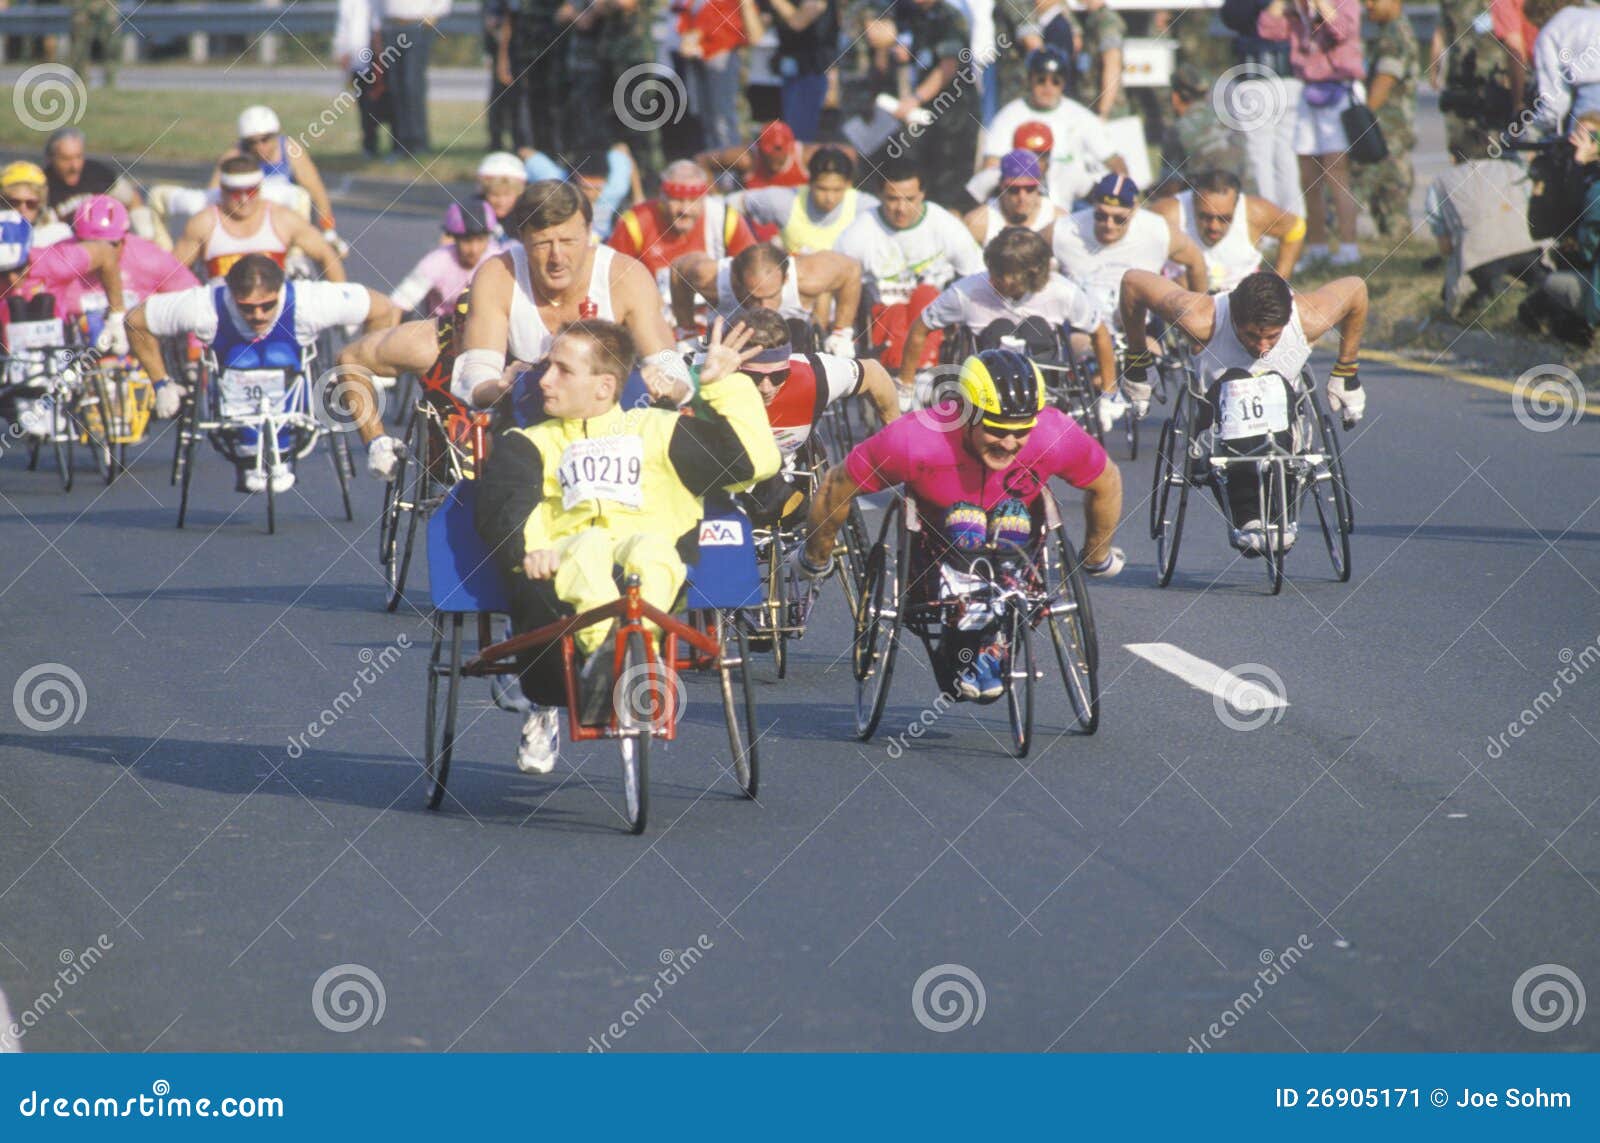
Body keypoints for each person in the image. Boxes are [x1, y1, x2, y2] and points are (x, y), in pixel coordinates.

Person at [474, 317, 780, 772]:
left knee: (653, 551)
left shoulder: (659, 430)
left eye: (562, 370)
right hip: (561, 589)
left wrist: (723, 385)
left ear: (604, 386)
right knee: (589, 545)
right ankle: (610, 661)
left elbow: (755, 462)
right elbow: (508, 512)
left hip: (649, 579)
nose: (545, 379)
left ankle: (634, 658)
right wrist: (527, 553)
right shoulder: (527, 443)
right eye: (547, 367)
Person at [803, 346, 1125, 699]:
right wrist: (817, 555)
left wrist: (1096, 556)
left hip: (1017, 543)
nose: (1008, 442)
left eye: (1021, 431)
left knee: (1012, 524)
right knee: (964, 527)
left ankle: (991, 633)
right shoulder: (916, 439)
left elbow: (1106, 481)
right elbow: (836, 485)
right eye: (996, 429)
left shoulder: (1053, 433)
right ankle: (973, 630)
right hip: (937, 548)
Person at [1118, 267, 1367, 553]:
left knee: (1276, 394)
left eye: (1272, 337)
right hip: (1217, 420)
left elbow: (1356, 288)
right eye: (1250, 336)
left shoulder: (1306, 318)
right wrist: (1137, 361)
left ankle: (1278, 515)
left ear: (1286, 323)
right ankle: (1248, 516)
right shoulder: (1200, 318)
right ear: (1234, 319)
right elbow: (1133, 282)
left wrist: (1346, 371)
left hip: (1285, 419)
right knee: (1239, 384)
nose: (1262, 347)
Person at [126, 254, 399, 491]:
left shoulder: (309, 301)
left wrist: (366, 373)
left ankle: (369, 444)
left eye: (267, 306)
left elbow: (383, 308)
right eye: (246, 307)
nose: (258, 315)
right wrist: (162, 384)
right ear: (230, 293)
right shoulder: (205, 305)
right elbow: (134, 321)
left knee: (278, 353)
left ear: (281, 290)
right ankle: (246, 448)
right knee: (238, 357)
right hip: (231, 394)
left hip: (292, 392)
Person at [450, 180, 692, 410]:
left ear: (588, 232)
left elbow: (671, 368)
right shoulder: (497, 274)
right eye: (542, 244)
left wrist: (666, 384)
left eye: (568, 241)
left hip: (612, 417)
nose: (557, 257)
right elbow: (477, 375)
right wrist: (506, 388)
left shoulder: (626, 276)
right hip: (528, 411)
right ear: (522, 238)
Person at [902, 226, 1116, 411]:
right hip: (988, 384)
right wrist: (906, 384)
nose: (994, 279)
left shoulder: (1064, 292)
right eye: (993, 270)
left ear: (1032, 274)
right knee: (999, 327)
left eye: (1005, 274)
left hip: (1044, 381)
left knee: (1036, 327)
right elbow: (921, 327)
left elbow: (1100, 333)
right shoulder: (965, 292)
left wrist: (1108, 393)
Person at [837, 158, 985, 375]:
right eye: (892, 199)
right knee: (895, 311)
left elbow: (977, 274)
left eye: (910, 199)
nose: (901, 209)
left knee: (925, 296)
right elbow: (835, 281)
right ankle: (899, 371)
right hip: (883, 315)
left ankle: (922, 370)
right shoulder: (858, 231)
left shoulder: (945, 225)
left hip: (933, 315)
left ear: (923, 194)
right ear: (879, 196)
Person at [0, 211, 129, 437]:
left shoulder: (56, 261)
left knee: (40, 303)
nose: (12, 280)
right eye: (3, 273)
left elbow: (107, 253)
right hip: (7, 350)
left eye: (19, 269)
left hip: (56, 343)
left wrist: (117, 315)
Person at [1258, 0, 1364, 267]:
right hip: (1309, 91)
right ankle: (1317, 246)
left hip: (1339, 89)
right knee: (1308, 175)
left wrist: (1321, 4)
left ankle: (1349, 247)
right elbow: (1267, 30)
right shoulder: (1298, 8)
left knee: (1336, 172)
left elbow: (1342, 31)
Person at [866, 0, 981, 208]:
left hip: (952, 118)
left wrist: (915, 99)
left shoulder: (949, 18)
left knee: (948, 187)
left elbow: (948, 67)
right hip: (918, 119)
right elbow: (877, 35)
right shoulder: (907, 12)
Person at [984, 47, 1126, 213]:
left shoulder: (1080, 116)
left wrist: (1121, 195)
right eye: (1041, 80)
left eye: (1055, 81)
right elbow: (990, 167)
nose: (1048, 87)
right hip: (1021, 206)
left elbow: (1114, 162)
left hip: (1072, 205)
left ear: (1063, 84)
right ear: (1030, 80)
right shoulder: (1008, 116)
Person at [172, 158, 346, 284]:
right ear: (222, 190)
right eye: (235, 192)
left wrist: (340, 301)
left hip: (276, 318)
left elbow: (326, 254)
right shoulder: (203, 224)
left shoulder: (283, 219)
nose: (243, 200)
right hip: (220, 321)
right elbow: (171, 272)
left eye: (250, 192)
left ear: (260, 189)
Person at [1426, 142, 1548, 318]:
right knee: (1539, 281)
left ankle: (1492, 297)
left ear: (1453, 158)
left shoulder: (1441, 182)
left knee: (1470, 294)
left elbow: (1445, 247)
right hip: (1528, 248)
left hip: (1481, 258)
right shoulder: (1513, 168)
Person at [671, 243, 863, 354]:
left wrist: (841, 333)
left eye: (770, 297)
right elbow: (677, 269)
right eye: (754, 298)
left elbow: (852, 269)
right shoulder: (709, 277)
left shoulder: (809, 276)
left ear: (785, 280)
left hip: (793, 342)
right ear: (737, 282)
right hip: (729, 344)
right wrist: (686, 333)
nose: (763, 307)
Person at [606, 160, 757, 292]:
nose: (685, 210)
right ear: (662, 197)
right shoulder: (634, 223)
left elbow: (753, 269)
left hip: (716, 311)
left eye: (693, 200)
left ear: (705, 198)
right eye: (676, 200)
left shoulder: (725, 219)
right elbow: (611, 278)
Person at [1516, 112, 1600, 346]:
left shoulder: (1591, 180)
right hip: (1579, 263)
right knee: (1533, 308)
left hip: (1588, 266)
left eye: (1591, 137)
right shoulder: (1570, 171)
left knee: (1554, 289)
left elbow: (1579, 219)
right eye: (1577, 135)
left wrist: (1579, 164)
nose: (1581, 143)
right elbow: (1544, 225)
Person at [1147, 169, 1306, 292]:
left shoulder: (1255, 212)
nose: (1214, 226)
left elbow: (1295, 228)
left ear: (1236, 206)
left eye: (1224, 218)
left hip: (1243, 303)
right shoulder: (1168, 213)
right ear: (1192, 202)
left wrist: (1278, 282)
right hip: (1182, 303)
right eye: (1205, 217)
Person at [215, 107, 342, 246]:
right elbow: (214, 194)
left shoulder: (291, 151)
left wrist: (328, 230)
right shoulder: (234, 156)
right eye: (252, 142)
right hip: (249, 221)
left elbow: (317, 193)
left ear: (276, 135)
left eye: (265, 139)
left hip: (289, 220)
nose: (259, 147)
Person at [1220, 0, 1301, 216]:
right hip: (1290, 78)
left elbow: (1231, 16)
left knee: (1261, 157)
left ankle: (1269, 220)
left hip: (1259, 79)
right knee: (1287, 155)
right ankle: (1294, 218)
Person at [1352, 0, 1420, 240]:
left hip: (1383, 136)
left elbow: (1384, 81)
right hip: (1387, 135)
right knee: (1390, 204)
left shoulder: (1394, 35)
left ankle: (1337, 248)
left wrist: (1361, 122)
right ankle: (1396, 251)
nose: (1367, 5)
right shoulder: (1389, 31)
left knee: (1354, 194)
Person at [735, 147, 876, 252]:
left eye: (837, 190)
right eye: (822, 189)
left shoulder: (864, 206)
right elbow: (730, 204)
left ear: (848, 184)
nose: (829, 198)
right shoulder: (783, 202)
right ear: (809, 183)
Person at [679, 0, 765, 152]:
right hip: (700, 57)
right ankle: (714, 163)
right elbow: (690, 19)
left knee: (724, 119)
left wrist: (700, 39)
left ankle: (729, 169)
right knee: (707, 118)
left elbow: (746, 31)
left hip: (723, 57)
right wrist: (690, 39)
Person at [1157, 64, 1253, 197]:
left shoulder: (1176, 131)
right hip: (1247, 201)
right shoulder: (1230, 121)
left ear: (1175, 97)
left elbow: (1171, 186)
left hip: (1210, 206)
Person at [390, 202, 497, 318]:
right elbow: (400, 303)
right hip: (439, 329)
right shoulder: (436, 261)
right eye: (467, 241)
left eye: (481, 240)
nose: (474, 250)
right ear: (454, 238)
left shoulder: (497, 260)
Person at [759, 0, 842, 143]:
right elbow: (760, 27)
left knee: (801, 138)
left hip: (813, 73)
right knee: (788, 134)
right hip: (787, 74)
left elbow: (798, 22)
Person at [377, 0, 450, 154]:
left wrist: (435, 14)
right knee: (395, 86)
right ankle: (399, 143)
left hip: (417, 25)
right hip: (390, 25)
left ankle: (418, 142)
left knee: (412, 85)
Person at [42, 128, 146, 226]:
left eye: (78, 157)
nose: (74, 166)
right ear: (51, 158)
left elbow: (133, 200)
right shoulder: (42, 185)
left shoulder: (99, 173)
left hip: (106, 237)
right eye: (66, 159)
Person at [1530, 0, 1600, 133]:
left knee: (1582, 149)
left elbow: (1556, 103)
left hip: (1593, 96)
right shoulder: (1593, 14)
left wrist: (1533, 128)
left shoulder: (1549, 32)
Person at [965, 151, 1061, 246]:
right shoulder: (978, 223)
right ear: (1001, 186)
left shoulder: (1057, 220)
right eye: (1014, 189)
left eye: (1029, 188)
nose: (1022, 197)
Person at [335, 0, 390, 160]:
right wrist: (342, 51)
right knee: (365, 104)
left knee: (387, 102)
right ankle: (370, 145)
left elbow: (379, 24)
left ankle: (398, 145)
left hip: (382, 56)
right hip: (359, 58)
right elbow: (344, 26)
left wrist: (380, 57)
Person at [699, 120, 818, 190]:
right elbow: (703, 160)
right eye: (769, 156)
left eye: (779, 155)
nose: (774, 160)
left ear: (789, 149)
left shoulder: (806, 156)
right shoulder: (746, 159)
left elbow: (836, 152)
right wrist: (714, 199)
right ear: (760, 150)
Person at [1077, 0, 1130, 120]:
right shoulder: (1091, 20)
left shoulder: (1107, 22)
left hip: (1108, 113)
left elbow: (1112, 67)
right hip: (1090, 107)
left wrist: (1103, 112)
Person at [1, 162, 72, 248]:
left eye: (31, 203)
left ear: (41, 204)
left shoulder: (58, 233)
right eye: (15, 202)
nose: (22, 209)